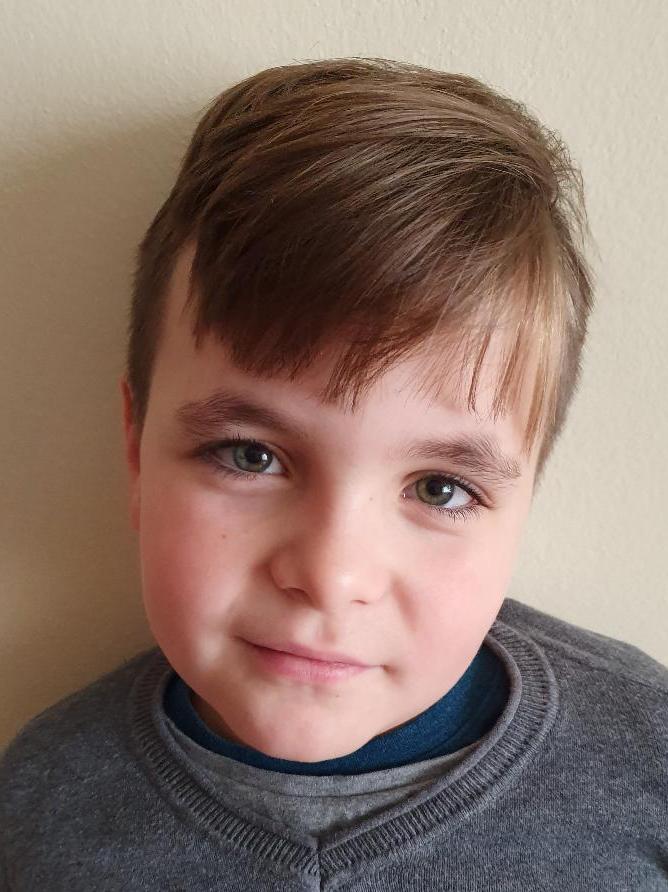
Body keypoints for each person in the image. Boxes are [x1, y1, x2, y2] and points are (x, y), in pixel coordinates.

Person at [1, 57, 666, 891]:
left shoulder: (649, 756)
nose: (330, 576)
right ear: (136, 450)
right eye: (250, 455)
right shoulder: (39, 810)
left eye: (440, 488)